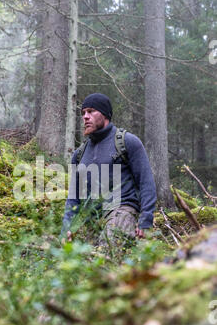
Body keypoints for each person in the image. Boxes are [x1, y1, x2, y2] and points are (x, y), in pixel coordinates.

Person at [61, 93, 157, 245]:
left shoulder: (127, 142)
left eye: (91, 111)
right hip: (92, 218)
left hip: (122, 209)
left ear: (104, 114)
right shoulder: (79, 154)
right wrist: (67, 226)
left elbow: (146, 182)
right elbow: (74, 196)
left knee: (107, 249)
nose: (85, 116)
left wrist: (146, 218)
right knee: (80, 262)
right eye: (83, 112)